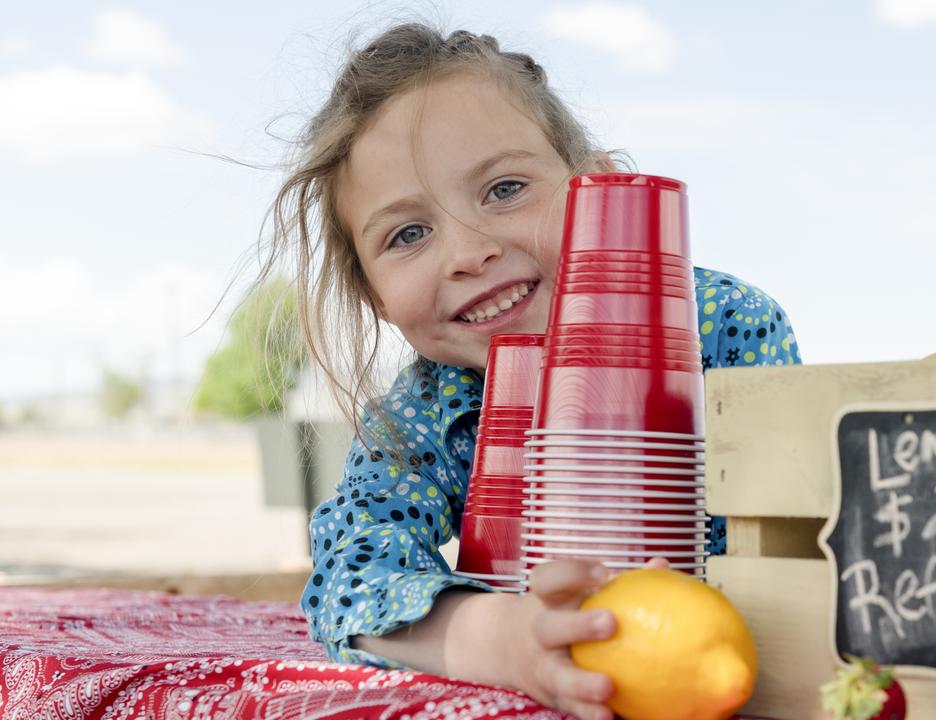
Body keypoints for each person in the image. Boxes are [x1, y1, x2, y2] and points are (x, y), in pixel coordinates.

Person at [265, 23, 801, 720]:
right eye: (408, 234)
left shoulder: (725, 327)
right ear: (375, 296)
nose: (469, 251)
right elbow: (352, 572)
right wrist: (505, 641)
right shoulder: (425, 409)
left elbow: (797, 545)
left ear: (604, 188)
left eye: (505, 188)